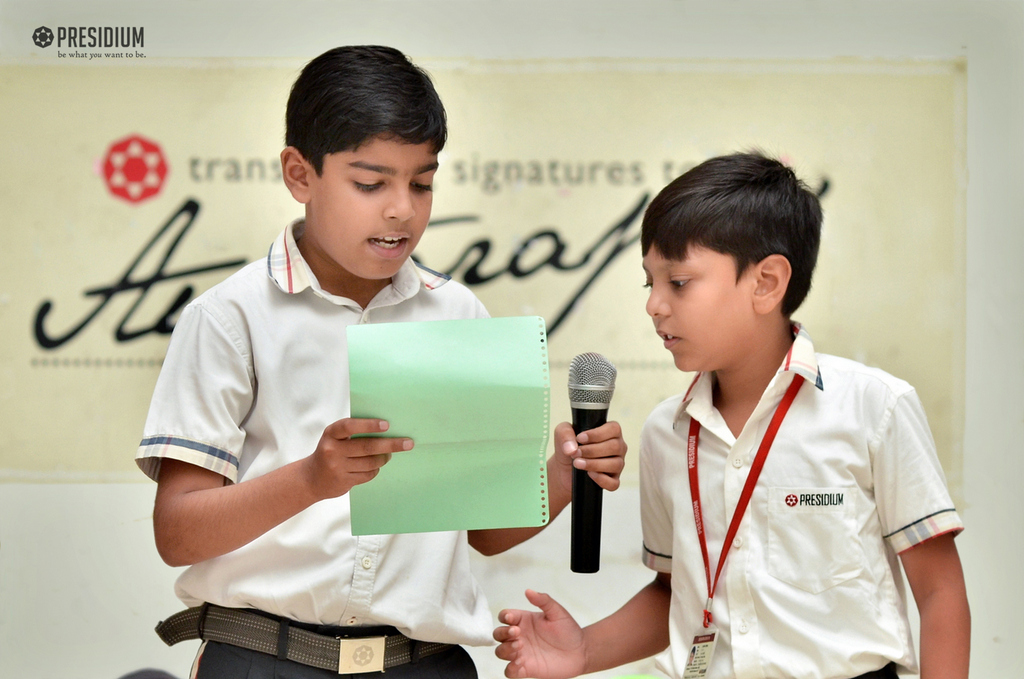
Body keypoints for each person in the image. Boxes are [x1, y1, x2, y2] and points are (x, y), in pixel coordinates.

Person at [135, 45, 626, 679]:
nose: (402, 208)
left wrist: (564, 474)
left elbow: (479, 533)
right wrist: (312, 478)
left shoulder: (458, 314)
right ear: (299, 174)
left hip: (427, 664)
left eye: (422, 182)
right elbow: (177, 533)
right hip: (262, 657)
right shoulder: (229, 317)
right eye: (371, 183)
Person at [493, 152, 970, 679]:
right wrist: (582, 651)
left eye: (678, 282)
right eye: (648, 282)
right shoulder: (665, 432)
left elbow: (940, 590)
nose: (654, 305)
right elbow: (678, 595)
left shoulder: (874, 406)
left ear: (766, 283)